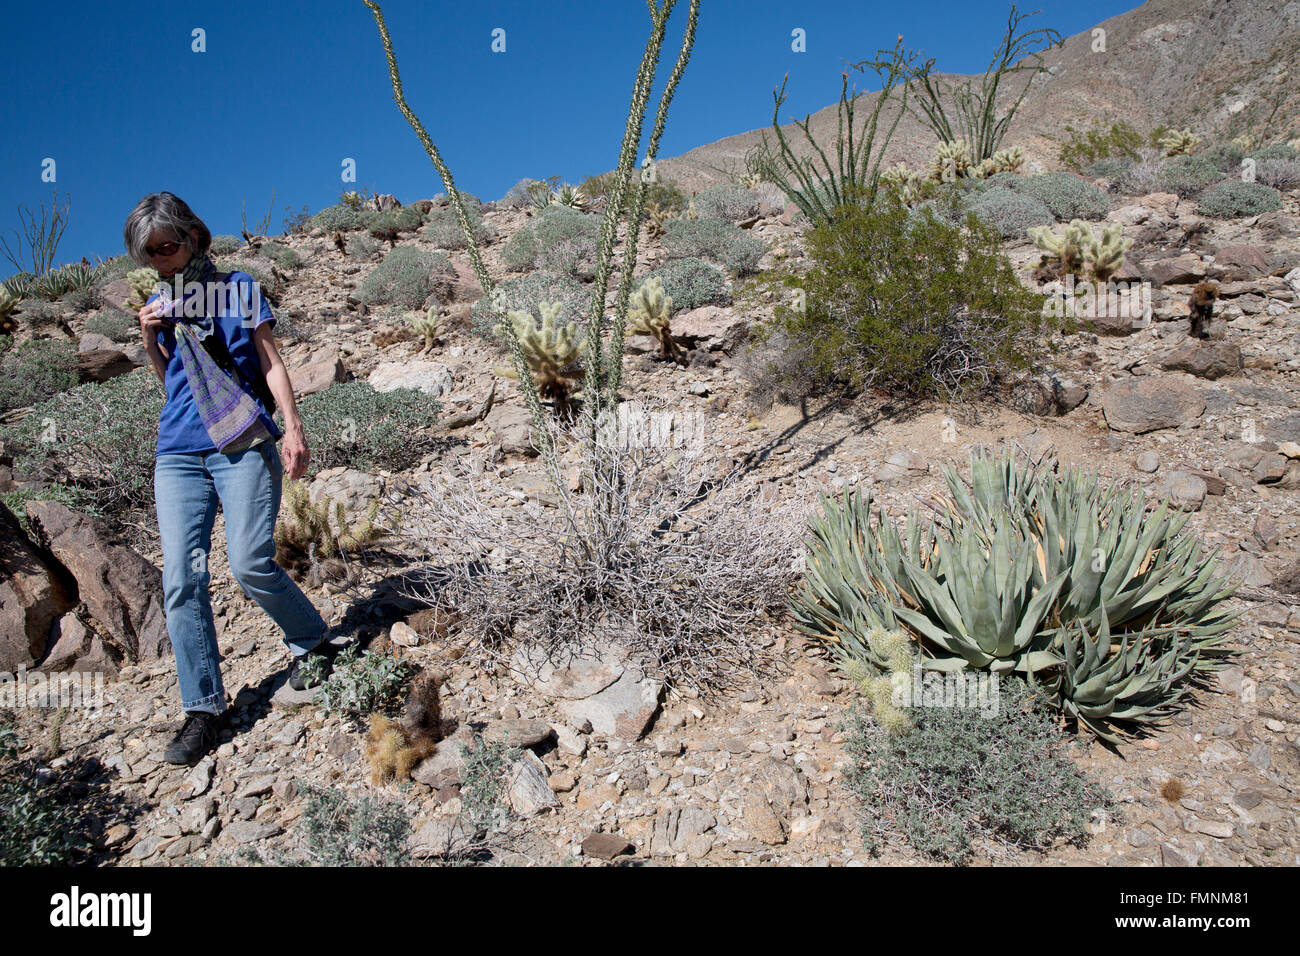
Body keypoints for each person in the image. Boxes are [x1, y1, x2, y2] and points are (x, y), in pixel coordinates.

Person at [125, 191, 336, 766]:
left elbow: (270, 362)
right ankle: (203, 709)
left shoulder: (238, 288)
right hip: (178, 452)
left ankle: (312, 642)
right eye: (149, 252)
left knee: (248, 562)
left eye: (167, 245)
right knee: (181, 579)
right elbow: (173, 381)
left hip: (242, 440)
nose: (161, 258)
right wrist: (150, 337)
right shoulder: (158, 301)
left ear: (193, 236)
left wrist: (293, 429)